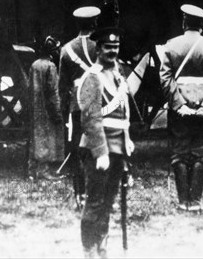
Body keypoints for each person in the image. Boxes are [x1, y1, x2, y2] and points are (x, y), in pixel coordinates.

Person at [159, 4, 203, 212]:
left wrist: (178, 104)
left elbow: (165, 78)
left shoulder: (171, 45)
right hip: (202, 108)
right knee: (200, 153)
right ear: (201, 26)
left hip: (179, 109)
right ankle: (195, 202)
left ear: (184, 22)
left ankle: (182, 202)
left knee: (178, 152)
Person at [78, 27, 134, 258]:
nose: (113, 51)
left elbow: (124, 113)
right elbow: (91, 119)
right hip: (98, 149)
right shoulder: (93, 77)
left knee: (108, 203)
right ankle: (89, 250)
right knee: (95, 203)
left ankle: (102, 248)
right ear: (98, 49)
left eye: (116, 47)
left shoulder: (118, 75)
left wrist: (127, 140)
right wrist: (100, 152)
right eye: (108, 47)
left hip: (117, 147)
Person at [59, 6, 101, 206]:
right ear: (94, 23)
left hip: (77, 107)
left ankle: (80, 195)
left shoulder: (66, 50)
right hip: (100, 105)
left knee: (78, 150)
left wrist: (63, 112)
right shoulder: (101, 47)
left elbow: (63, 86)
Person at [28, 36, 65, 180]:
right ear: (52, 51)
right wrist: (57, 112)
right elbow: (53, 91)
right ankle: (43, 170)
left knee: (35, 137)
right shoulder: (51, 66)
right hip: (47, 109)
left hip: (35, 107)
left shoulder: (34, 65)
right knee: (46, 138)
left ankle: (31, 169)